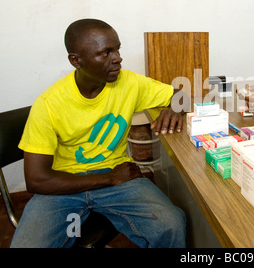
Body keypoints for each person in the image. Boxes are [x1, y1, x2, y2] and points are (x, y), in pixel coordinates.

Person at [11, 19, 187, 248]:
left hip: (119, 178)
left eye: (117, 49)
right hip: (65, 183)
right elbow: (36, 180)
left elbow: (180, 95)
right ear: (76, 60)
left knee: (170, 224)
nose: (118, 58)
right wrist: (108, 178)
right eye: (105, 53)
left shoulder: (129, 82)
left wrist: (174, 109)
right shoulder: (48, 104)